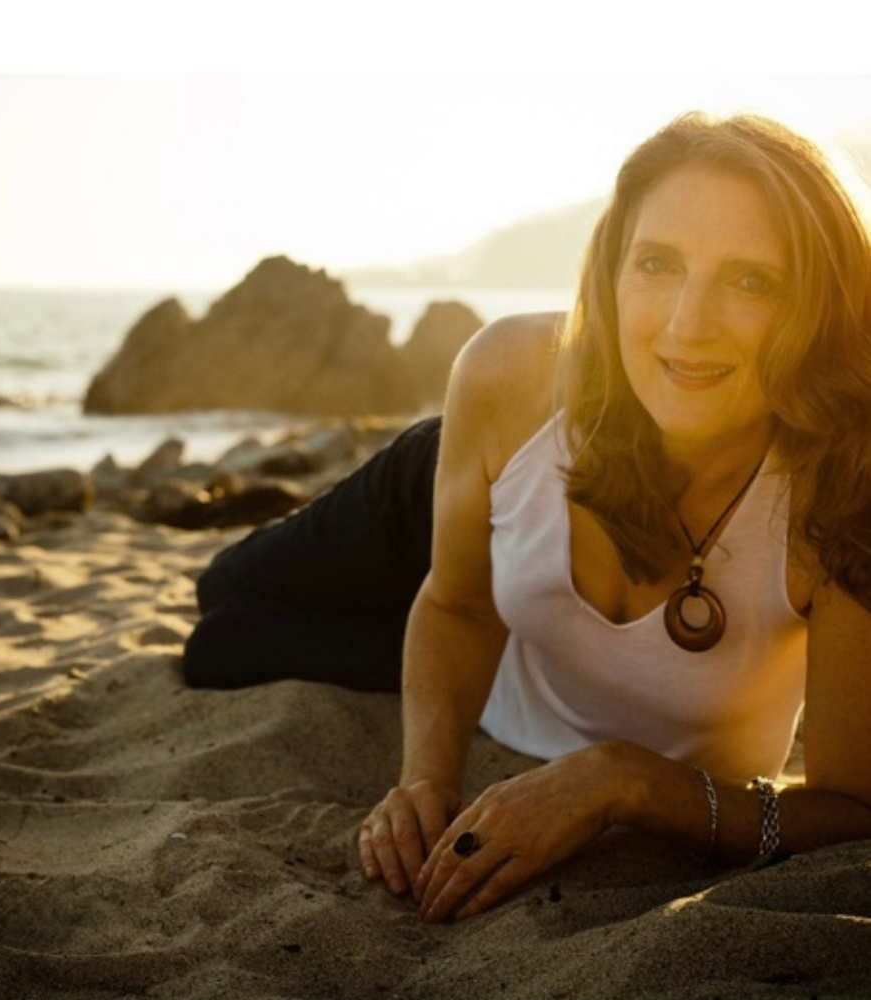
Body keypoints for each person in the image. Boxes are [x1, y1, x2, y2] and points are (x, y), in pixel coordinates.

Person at [183, 111, 871, 924]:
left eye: (752, 280)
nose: (688, 325)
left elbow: (850, 810)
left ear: (823, 306)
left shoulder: (842, 485)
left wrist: (626, 778)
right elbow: (456, 601)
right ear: (611, 271)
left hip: (521, 642)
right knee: (224, 580)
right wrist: (425, 782)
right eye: (657, 263)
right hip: (478, 486)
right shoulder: (511, 373)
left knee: (219, 645)